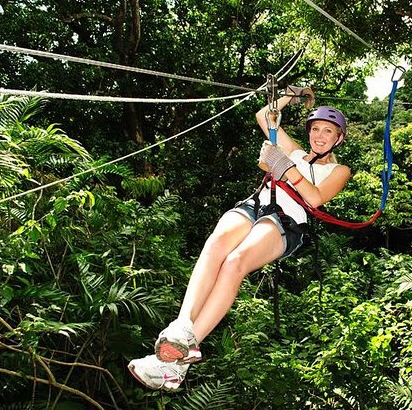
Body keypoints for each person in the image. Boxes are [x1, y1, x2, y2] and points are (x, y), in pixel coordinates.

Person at [128, 86, 351, 391]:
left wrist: (283, 167)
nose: (320, 136)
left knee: (235, 262)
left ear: (338, 138)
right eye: (315, 129)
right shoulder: (297, 151)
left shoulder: (339, 170)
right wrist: (290, 94)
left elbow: (314, 198)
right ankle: (181, 329)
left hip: (288, 219)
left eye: (328, 131)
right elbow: (265, 116)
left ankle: (184, 355)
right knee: (217, 243)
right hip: (257, 202)